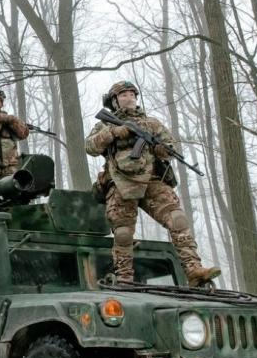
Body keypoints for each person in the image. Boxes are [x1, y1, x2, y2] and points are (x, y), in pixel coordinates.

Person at [85, 80, 220, 287]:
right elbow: (90, 147)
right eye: (124, 95)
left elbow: (170, 148)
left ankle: (193, 269)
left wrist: (161, 149)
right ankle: (125, 278)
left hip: (151, 181)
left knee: (177, 219)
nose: (129, 98)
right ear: (114, 101)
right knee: (123, 233)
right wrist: (112, 133)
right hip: (120, 183)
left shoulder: (152, 123)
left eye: (132, 95)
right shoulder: (105, 124)